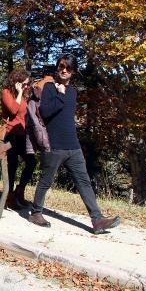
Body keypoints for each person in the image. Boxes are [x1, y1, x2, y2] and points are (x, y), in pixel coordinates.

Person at [28, 55, 121, 234]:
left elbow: (67, 117)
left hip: (73, 145)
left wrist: (64, 93)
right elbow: (45, 112)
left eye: (68, 68)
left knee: (84, 182)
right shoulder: (49, 88)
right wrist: (60, 94)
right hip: (54, 145)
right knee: (46, 180)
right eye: (61, 66)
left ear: (73, 71)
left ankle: (97, 220)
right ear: (57, 68)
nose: (64, 70)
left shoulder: (73, 92)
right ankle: (36, 212)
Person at [0, 69, 37, 209]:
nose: (27, 86)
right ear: (17, 82)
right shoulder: (6, 92)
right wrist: (20, 93)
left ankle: (19, 191)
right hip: (10, 134)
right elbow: (13, 110)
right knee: (13, 165)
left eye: (28, 85)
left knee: (31, 162)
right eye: (25, 84)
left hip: (22, 134)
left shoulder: (24, 95)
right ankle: (9, 197)